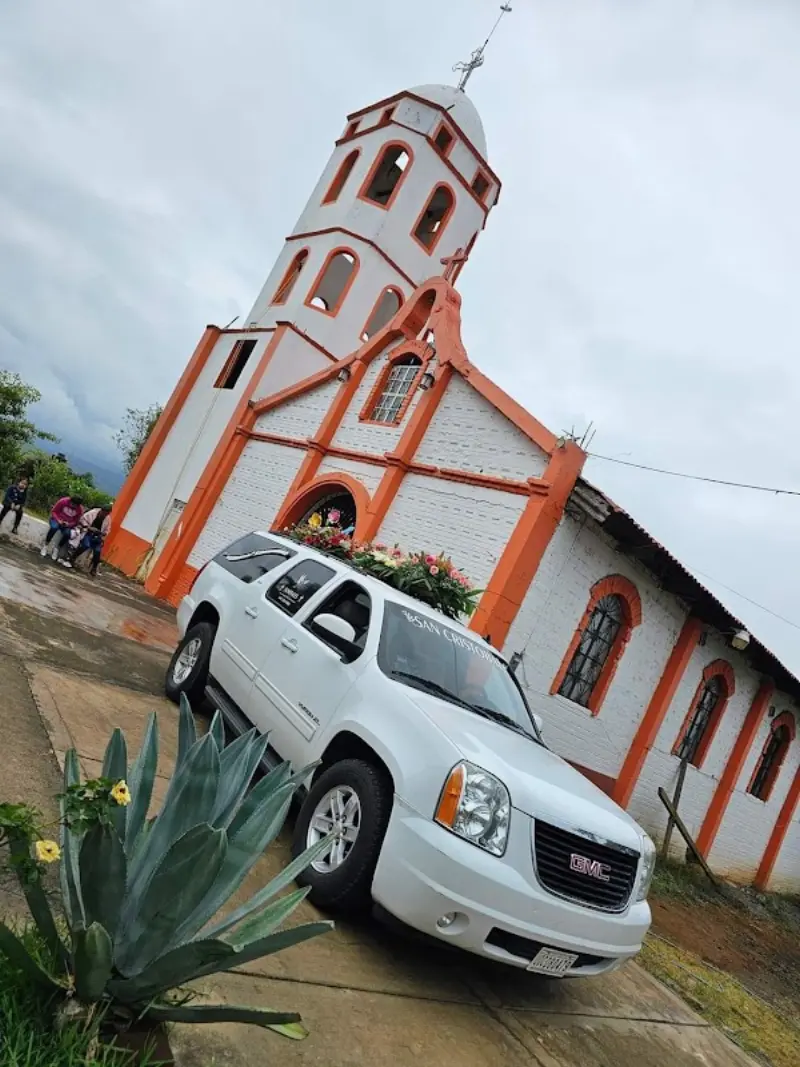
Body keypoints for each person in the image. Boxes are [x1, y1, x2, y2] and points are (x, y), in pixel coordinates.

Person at [61, 504, 112, 576]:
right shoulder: (93, 512)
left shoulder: (108, 519)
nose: (104, 515)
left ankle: (94, 568)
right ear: (101, 510)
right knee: (86, 545)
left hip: (97, 536)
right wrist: (89, 527)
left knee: (98, 550)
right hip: (88, 533)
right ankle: (72, 558)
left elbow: (107, 530)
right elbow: (82, 519)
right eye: (104, 512)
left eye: (106, 513)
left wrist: (102, 533)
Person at [41, 495, 83, 561]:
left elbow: (76, 521)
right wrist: (58, 520)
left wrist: (69, 524)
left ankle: (57, 549)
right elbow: (54, 511)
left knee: (67, 534)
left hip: (67, 524)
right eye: (73, 504)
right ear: (70, 501)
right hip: (56, 519)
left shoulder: (79, 509)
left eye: (76, 505)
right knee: (54, 528)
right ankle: (45, 545)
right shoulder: (63, 501)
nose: (73, 506)